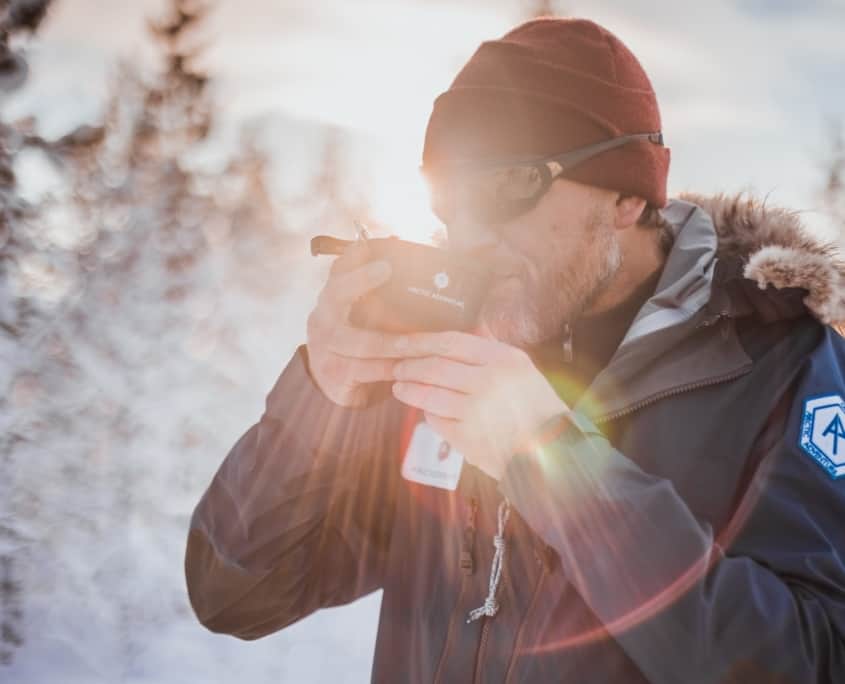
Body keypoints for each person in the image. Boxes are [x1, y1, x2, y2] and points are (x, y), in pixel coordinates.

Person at [184, 17, 845, 684]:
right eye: (448, 202)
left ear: (624, 195)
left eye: (505, 189)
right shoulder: (446, 351)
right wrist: (319, 400)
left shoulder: (783, 364)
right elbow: (234, 597)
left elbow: (806, 660)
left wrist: (557, 464)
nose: (467, 235)